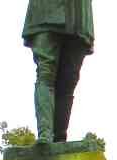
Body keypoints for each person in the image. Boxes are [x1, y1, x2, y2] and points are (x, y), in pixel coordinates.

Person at [22, 0, 94, 144]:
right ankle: (45, 135)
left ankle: (59, 139)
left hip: (78, 18)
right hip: (45, 14)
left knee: (69, 81)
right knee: (45, 72)